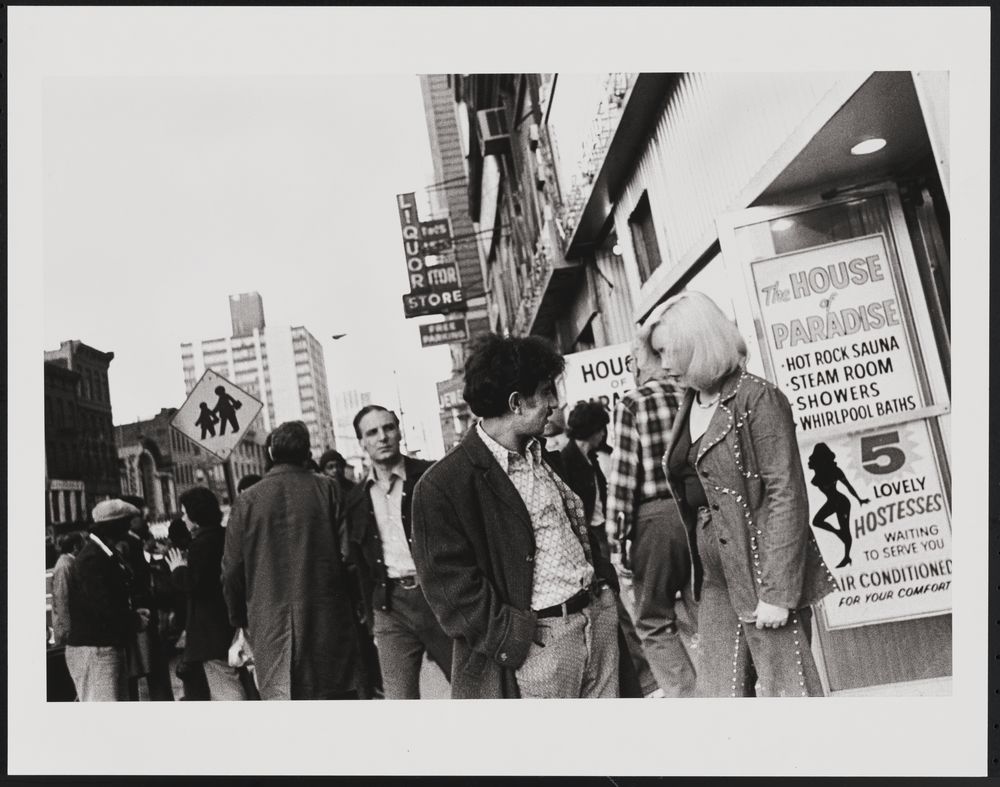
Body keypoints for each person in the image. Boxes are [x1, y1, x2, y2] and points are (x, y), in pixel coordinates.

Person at [412, 334, 620, 699]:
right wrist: (515, 637)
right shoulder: (443, 485)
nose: (555, 404)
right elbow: (449, 587)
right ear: (516, 402)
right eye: (546, 392)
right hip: (541, 647)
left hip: (595, 623)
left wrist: (604, 592)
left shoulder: (544, 457)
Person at [652, 291, 837, 697]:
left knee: (787, 690)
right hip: (717, 574)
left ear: (697, 344)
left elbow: (785, 495)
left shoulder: (757, 398)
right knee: (718, 695)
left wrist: (779, 593)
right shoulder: (692, 401)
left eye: (670, 351)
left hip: (760, 567)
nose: (664, 364)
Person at [222, 420, 362, 700]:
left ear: (271, 454)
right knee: (333, 701)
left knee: (284, 704)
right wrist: (357, 606)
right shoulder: (329, 490)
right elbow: (349, 558)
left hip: (268, 622)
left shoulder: (246, 501)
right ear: (306, 453)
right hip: (327, 617)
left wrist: (240, 618)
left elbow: (231, 571)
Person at [605, 333, 697, 697]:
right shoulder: (690, 397)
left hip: (654, 519)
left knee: (654, 618)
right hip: (696, 513)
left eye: (632, 360)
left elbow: (623, 477)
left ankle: (688, 697)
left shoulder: (631, 404)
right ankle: (725, 688)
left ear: (642, 362)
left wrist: (617, 541)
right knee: (703, 609)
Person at [342, 405, 451, 699]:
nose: (382, 437)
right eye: (372, 432)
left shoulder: (431, 476)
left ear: (399, 431)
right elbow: (360, 564)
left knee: (472, 688)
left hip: (438, 599)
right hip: (390, 606)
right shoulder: (355, 499)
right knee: (399, 700)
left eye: (388, 428)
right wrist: (372, 614)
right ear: (362, 442)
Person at [555, 401, 658, 698]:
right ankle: (643, 679)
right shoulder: (570, 462)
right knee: (617, 609)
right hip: (591, 543)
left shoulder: (589, 460)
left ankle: (644, 678)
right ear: (597, 431)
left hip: (600, 536)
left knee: (623, 607)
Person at [65, 500, 151, 701]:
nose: (128, 529)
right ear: (113, 526)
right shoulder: (92, 558)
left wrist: (132, 615)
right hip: (96, 649)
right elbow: (103, 605)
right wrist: (133, 621)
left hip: (104, 646)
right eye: (125, 523)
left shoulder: (103, 553)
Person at [165, 487, 245, 700]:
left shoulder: (201, 544)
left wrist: (178, 569)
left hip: (210, 629)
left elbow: (194, 584)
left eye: (185, 512)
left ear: (195, 514)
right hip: (227, 621)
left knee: (225, 686)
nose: (183, 518)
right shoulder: (224, 535)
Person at [117, 495, 174, 701]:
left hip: (145, 614)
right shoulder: (126, 545)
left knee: (147, 667)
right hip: (141, 616)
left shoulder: (133, 542)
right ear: (131, 519)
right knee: (150, 666)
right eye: (141, 515)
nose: (147, 518)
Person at [808, 443, 869, 568]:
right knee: (817, 521)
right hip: (831, 502)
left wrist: (859, 499)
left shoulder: (835, 471)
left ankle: (847, 557)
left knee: (845, 530)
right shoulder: (818, 473)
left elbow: (848, 486)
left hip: (842, 502)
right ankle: (838, 533)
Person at [51, 531, 85, 648]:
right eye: (83, 543)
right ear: (76, 546)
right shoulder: (64, 566)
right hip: (68, 633)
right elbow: (62, 600)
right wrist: (68, 631)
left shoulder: (68, 563)